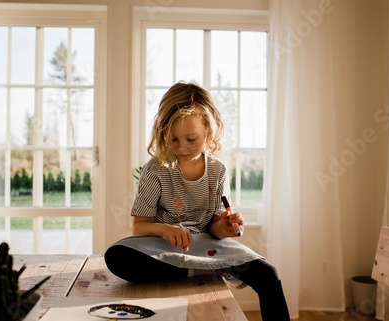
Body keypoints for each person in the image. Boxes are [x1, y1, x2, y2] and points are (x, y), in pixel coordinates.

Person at [104, 81, 290, 321]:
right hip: (164, 248)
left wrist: (225, 226)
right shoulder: (155, 170)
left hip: (210, 249)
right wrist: (167, 230)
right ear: (164, 135)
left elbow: (214, 225)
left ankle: (194, 268)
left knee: (269, 274)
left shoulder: (218, 170)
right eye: (174, 140)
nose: (182, 148)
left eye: (191, 139)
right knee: (117, 257)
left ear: (208, 132)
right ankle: (195, 269)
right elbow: (139, 226)